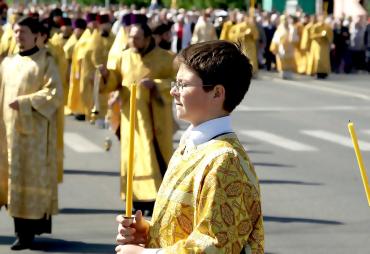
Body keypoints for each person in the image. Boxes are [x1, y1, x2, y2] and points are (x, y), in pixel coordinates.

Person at [115, 40, 264, 253]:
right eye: (175, 83)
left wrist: (146, 253)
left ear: (217, 93)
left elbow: (214, 246)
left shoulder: (224, 160)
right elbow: (190, 223)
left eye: (183, 85)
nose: (173, 92)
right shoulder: (192, 143)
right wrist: (148, 231)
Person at [99, 22, 175, 215]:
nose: (132, 41)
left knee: (154, 158)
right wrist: (106, 75)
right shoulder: (124, 57)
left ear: (148, 38)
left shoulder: (166, 58)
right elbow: (115, 82)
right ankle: (137, 202)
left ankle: (156, 201)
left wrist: (157, 85)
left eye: (137, 38)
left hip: (156, 120)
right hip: (130, 118)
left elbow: (177, 83)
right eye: (130, 37)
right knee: (132, 159)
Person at [0, 16, 62, 250]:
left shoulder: (45, 62)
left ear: (36, 35)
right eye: (16, 32)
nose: (19, 36)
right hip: (7, 135)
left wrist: (25, 102)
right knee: (11, 183)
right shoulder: (7, 63)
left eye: (23, 32)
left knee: (28, 183)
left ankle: (26, 234)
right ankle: (20, 231)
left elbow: (54, 94)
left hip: (34, 137)